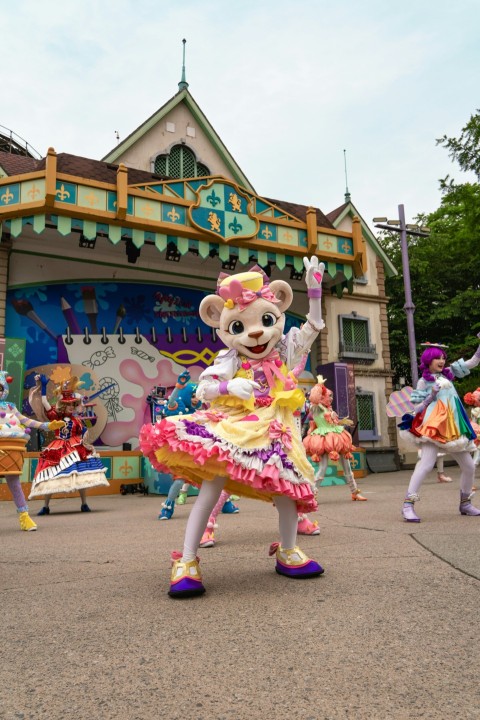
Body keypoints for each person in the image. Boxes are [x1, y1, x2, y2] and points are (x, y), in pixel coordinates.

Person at [140, 257, 325, 597]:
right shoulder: (231, 359)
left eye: (266, 321)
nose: (255, 333)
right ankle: (188, 560)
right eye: (238, 327)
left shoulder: (284, 350)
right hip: (235, 426)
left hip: (275, 430)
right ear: (223, 326)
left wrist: (314, 291)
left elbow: (313, 326)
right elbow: (203, 390)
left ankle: (287, 551)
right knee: (211, 490)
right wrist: (229, 387)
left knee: (287, 493)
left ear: (279, 315)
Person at [399, 337, 480, 522]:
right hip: (433, 428)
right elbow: (417, 408)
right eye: (438, 358)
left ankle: (465, 503)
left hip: (453, 427)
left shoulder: (448, 374)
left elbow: (473, 362)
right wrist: (432, 394)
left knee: (468, 466)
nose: (442, 361)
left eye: (443, 357)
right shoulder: (423, 382)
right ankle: (407, 506)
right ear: (429, 360)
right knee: (426, 464)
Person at [28, 373, 109, 513]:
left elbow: (83, 432)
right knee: (51, 474)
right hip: (58, 447)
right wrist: (44, 388)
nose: (71, 407)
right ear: (62, 406)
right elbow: (46, 404)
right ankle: (46, 506)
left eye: (73, 404)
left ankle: (84, 504)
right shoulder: (55, 416)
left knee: (80, 475)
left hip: (75, 447)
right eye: (68, 404)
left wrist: (85, 441)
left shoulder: (77, 420)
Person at [0, 371, 64, 531]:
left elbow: (25, 421)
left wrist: (47, 426)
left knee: (14, 482)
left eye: (0, 388)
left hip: (11, 444)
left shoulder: (10, 407)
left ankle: (24, 517)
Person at [303, 376, 367, 501]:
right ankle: (312, 494)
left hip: (336, 438)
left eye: (331, 396)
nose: (331, 398)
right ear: (322, 396)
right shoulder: (315, 408)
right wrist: (319, 386)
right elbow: (313, 398)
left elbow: (332, 423)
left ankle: (354, 492)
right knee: (322, 467)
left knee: (347, 465)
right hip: (322, 439)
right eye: (329, 396)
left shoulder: (328, 409)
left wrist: (341, 421)